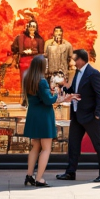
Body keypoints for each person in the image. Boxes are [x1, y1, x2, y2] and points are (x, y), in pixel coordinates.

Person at [21, 54, 75, 187]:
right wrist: (56, 93)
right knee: (46, 148)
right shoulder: (42, 81)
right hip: (44, 116)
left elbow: (38, 96)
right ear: (40, 66)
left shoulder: (27, 78)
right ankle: (39, 178)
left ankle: (29, 176)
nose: (46, 67)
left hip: (33, 114)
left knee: (35, 146)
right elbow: (48, 100)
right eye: (45, 65)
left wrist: (49, 93)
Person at [57, 49, 100, 182]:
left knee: (98, 144)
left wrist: (98, 114)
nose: (73, 62)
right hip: (76, 115)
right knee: (73, 144)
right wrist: (63, 86)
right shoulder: (77, 73)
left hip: (90, 115)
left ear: (81, 59)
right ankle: (70, 172)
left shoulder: (93, 73)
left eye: (75, 59)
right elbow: (74, 90)